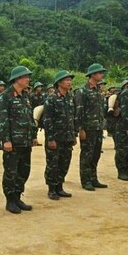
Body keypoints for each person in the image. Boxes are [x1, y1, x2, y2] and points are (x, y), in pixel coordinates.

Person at [0, 66, 37, 213]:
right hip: (13, 143)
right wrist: (6, 140)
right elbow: (3, 120)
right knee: (11, 172)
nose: (28, 79)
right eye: (26, 77)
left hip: (25, 142)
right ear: (17, 79)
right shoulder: (6, 96)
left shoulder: (25, 96)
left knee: (24, 171)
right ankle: (10, 201)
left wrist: (33, 136)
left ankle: (17, 196)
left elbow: (30, 117)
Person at [43, 70, 76, 200]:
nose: (70, 82)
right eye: (67, 80)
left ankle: (59, 187)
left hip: (67, 137)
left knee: (64, 163)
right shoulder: (51, 98)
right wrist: (50, 138)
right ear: (59, 83)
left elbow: (72, 118)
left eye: (70, 80)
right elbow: (47, 120)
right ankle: (51, 188)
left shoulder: (70, 97)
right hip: (55, 138)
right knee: (53, 163)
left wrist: (73, 135)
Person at [75, 63, 108, 191]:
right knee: (86, 155)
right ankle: (86, 180)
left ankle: (93, 178)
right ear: (93, 75)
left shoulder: (98, 90)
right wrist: (81, 129)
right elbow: (79, 111)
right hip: (87, 129)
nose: (102, 75)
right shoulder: (82, 91)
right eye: (100, 73)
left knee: (95, 155)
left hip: (98, 128)